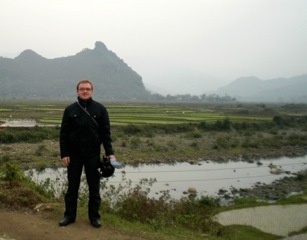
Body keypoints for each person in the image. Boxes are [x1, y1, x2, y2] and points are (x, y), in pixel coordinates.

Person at [59, 79, 116, 228]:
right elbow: (63, 134)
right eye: (82, 89)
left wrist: (110, 153)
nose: (85, 91)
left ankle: (94, 217)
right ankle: (69, 216)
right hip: (73, 155)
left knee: (94, 188)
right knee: (72, 188)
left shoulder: (100, 109)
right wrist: (64, 154)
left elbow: (106, 133)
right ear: (77, 91)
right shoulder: (70, 110)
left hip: (93, 156)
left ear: (92, 91)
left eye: (88, 89)